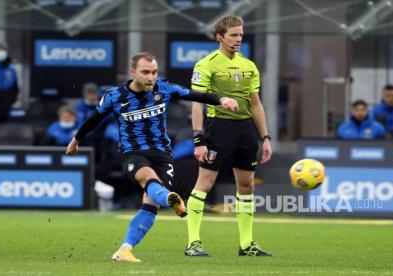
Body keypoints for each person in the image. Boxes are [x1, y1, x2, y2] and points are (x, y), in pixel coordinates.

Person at [66, 52, 238, 263]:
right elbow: (94, 119)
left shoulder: (164, 89)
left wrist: (222, 98)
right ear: (133, 72)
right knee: (148, 179)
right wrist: (76, 140)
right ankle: (170, 198)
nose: (151, 77)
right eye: (145, 72)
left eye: (154, 72)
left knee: (150, 203)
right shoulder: (115, 95)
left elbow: (197, 95)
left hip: (162, 154)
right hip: (133, 152)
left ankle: (125, 249)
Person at [186, 15, 272, 257]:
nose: (238, 39)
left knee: (246, 185)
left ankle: (246, 245)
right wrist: (198, 139)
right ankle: (193, 242)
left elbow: (255, 104)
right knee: (205, 182)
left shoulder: (249, 66)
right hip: (218, 128)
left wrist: (265, 137)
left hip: (245, 131)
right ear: (219, 37)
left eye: (241, 35)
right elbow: (196, 105)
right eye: (233, 35)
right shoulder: (206, 65)